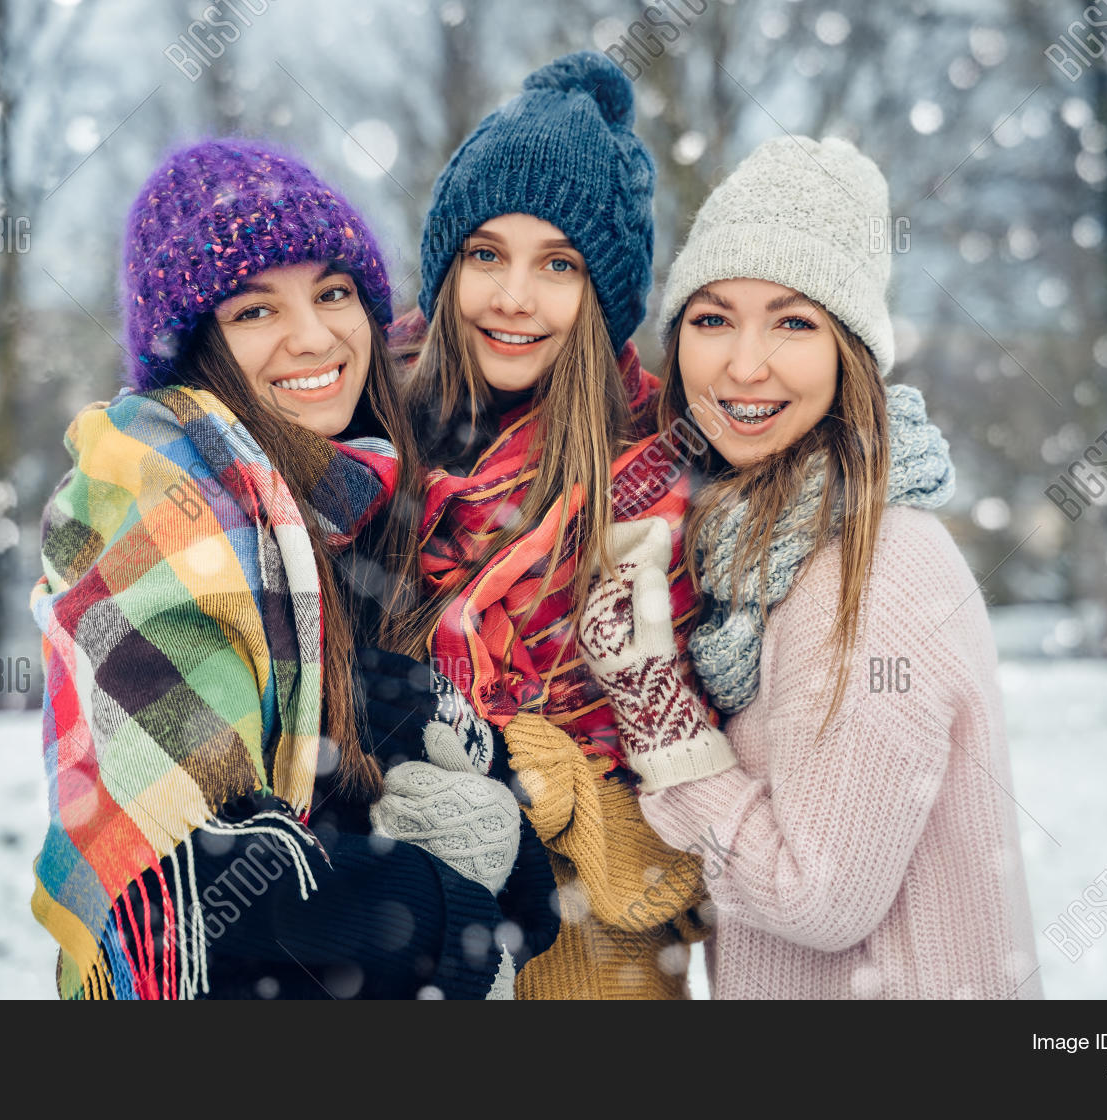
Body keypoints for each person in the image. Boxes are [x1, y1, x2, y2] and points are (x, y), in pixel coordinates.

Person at [29, 138, 553, 1000]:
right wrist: (442, 920)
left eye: (333, 292)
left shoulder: (336, 511)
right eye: (254, 310)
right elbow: (189, 888)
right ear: (195, 347)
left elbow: (304, 759)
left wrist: (493, 819)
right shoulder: (162, 515)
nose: (314, 336)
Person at [580, 136, 1045, 999]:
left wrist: (657, 707)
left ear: (850, 355)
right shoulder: (753, 554)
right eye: (713, 318)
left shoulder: (872, 571)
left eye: (794, 321)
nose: (743, 364)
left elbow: (817, 893)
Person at [379, 52, 711, 999]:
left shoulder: (665, 490)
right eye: (485, 254)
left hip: (593, 980)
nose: (514, 297)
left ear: (604, 298)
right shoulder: (364, 453)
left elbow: (705, 857)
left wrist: (567, 794)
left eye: (558, 264)